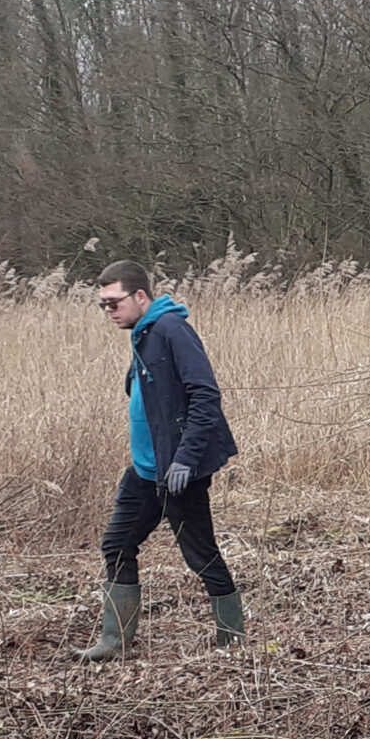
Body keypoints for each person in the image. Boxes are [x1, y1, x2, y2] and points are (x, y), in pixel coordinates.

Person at [74, 260, 243, 662]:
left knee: (200, 554)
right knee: (117, 544)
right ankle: (114, 642)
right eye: (103, 305)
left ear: (140, 296)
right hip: (144, 471)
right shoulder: (144, 332)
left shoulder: (171, 330)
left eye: (114, 303)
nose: (109, 312)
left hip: (176, 473)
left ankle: (232, 638)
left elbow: (205, 397)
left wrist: (185, 461)